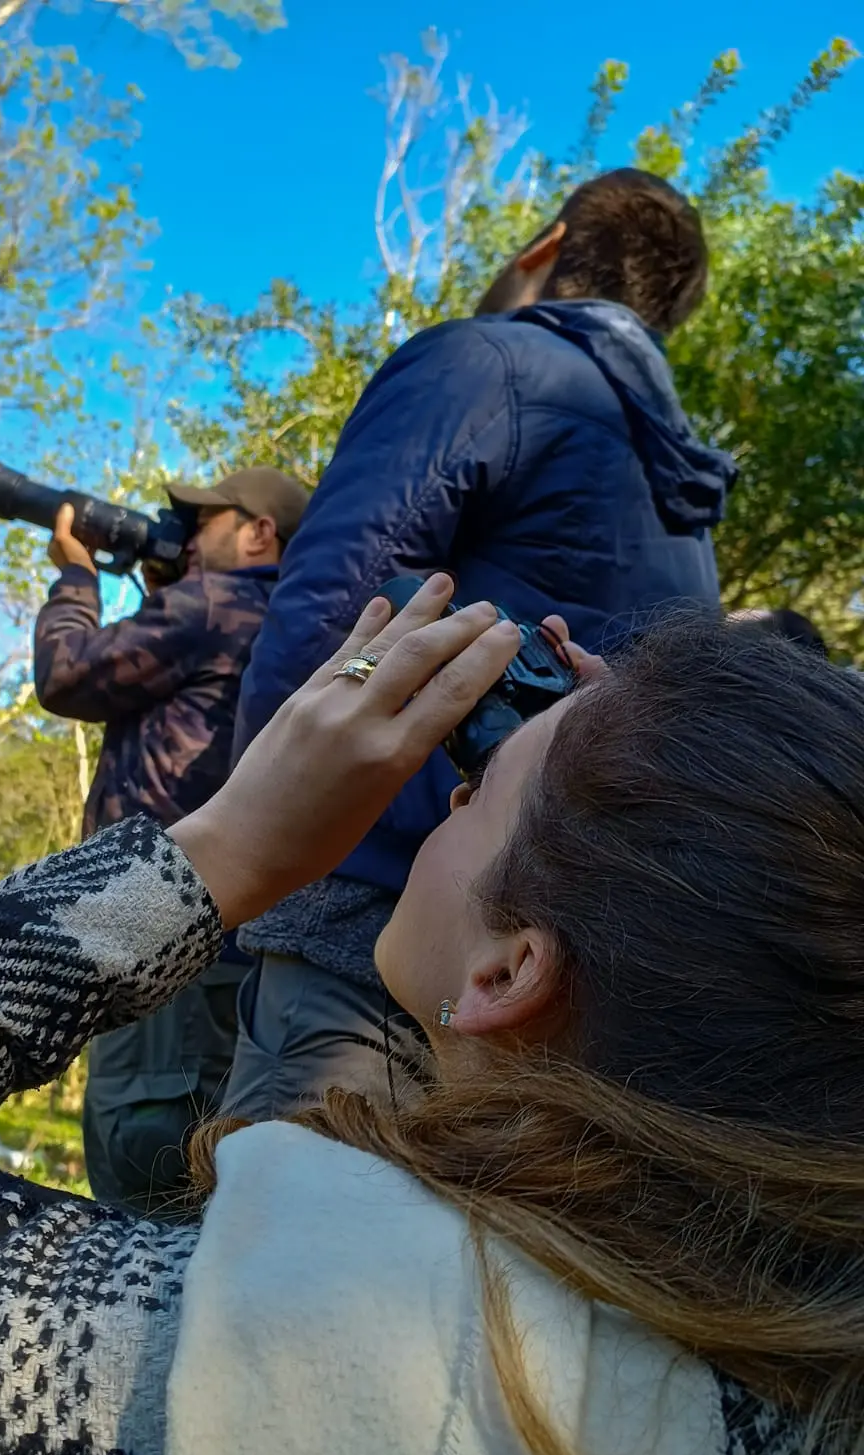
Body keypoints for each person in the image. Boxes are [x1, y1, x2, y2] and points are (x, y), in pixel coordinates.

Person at [0, 578, 864, 1455]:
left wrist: (226, 846)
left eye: (479, 795)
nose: (451, 795)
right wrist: (671, 768)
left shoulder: (334, 1364)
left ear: (508, 970)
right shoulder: (807, 1390)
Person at [226, 166, 738, 1122]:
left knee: (290, 1241)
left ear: (542, 250)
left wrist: (244, 856)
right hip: (558, 975)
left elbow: (335, 602)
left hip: (373, 914)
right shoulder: (682, 495)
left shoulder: (487, 365)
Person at [33, 466, 308, 1211]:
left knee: (144, 1168)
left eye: (205, 522)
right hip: (238, 946)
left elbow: (66, 675)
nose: (187, 536)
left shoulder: (213, 603)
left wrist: (77, 579)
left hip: (158, 933)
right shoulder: (295, 617)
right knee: (209, 1175)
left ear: (258, 533)